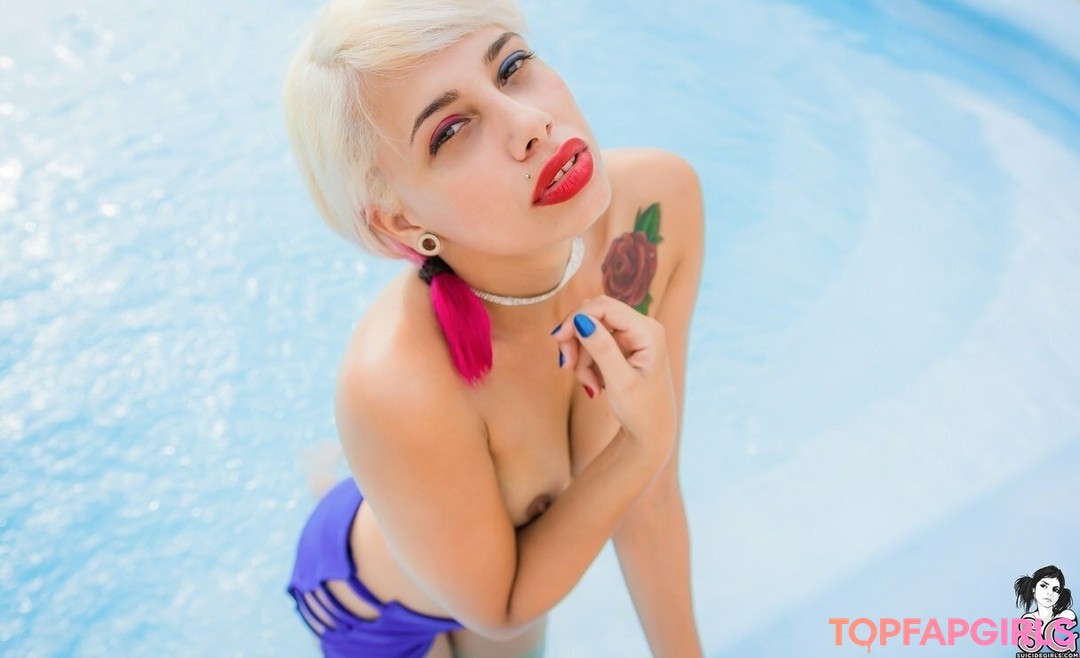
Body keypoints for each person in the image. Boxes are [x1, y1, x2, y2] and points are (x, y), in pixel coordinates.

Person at [281, 0, 704, 656]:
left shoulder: (658, 200)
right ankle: (351, 487)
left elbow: (648, 502)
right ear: (400, 221)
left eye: (511, 66)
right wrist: (640, 444)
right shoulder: (391, 381)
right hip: (373, 605)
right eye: (451, 131)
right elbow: (500, 605)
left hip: (478, 553)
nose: (530, 123)